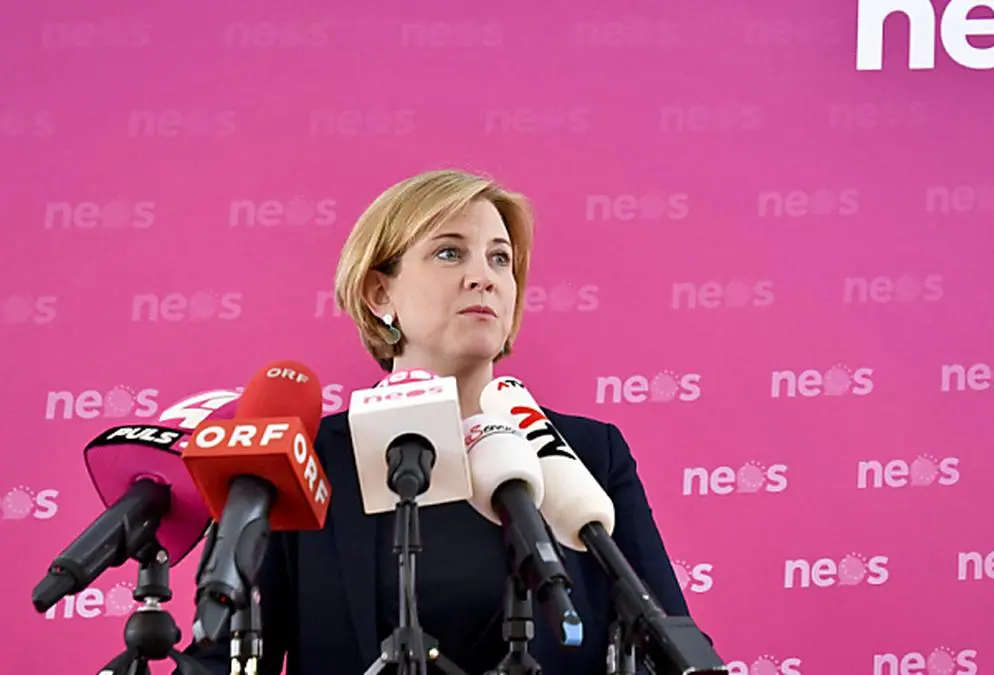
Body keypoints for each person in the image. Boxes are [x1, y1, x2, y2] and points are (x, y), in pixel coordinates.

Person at [180, 168, 696, 675]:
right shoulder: (303, 458)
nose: (484, 277)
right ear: (379, 294)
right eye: (450, 253)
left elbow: (671, 646)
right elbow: (223, 660)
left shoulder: (589, 452)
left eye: (500, 259)